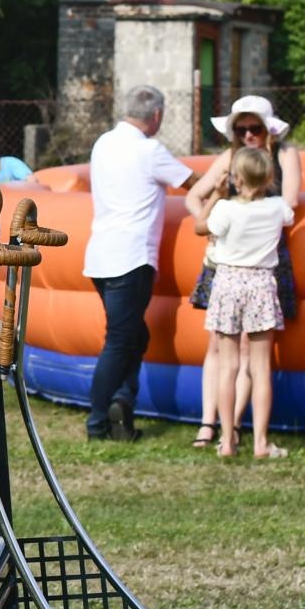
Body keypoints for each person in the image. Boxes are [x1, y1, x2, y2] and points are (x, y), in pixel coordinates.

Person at [82, 85, 197, 442]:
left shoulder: (104, 142)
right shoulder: (149, 150)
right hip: (131, 258)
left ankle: (121, 406)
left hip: (101, 255)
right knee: (120, 339)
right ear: (157, 115)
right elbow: (191, 181)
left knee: (134, 335)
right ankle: (98, 421)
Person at [184, 95, 300, 447]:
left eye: (254, 128)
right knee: (219, 349)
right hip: (234, 261)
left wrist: (221, 217)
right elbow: (195, 196)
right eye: (241, 128)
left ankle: (230, 429)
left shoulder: (284, 155)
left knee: (246, 352)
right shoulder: (230, 159)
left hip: (255, 261)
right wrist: (212, 219)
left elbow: (292, 199)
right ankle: (211, 425)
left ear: (268, 129)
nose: (248, 134)